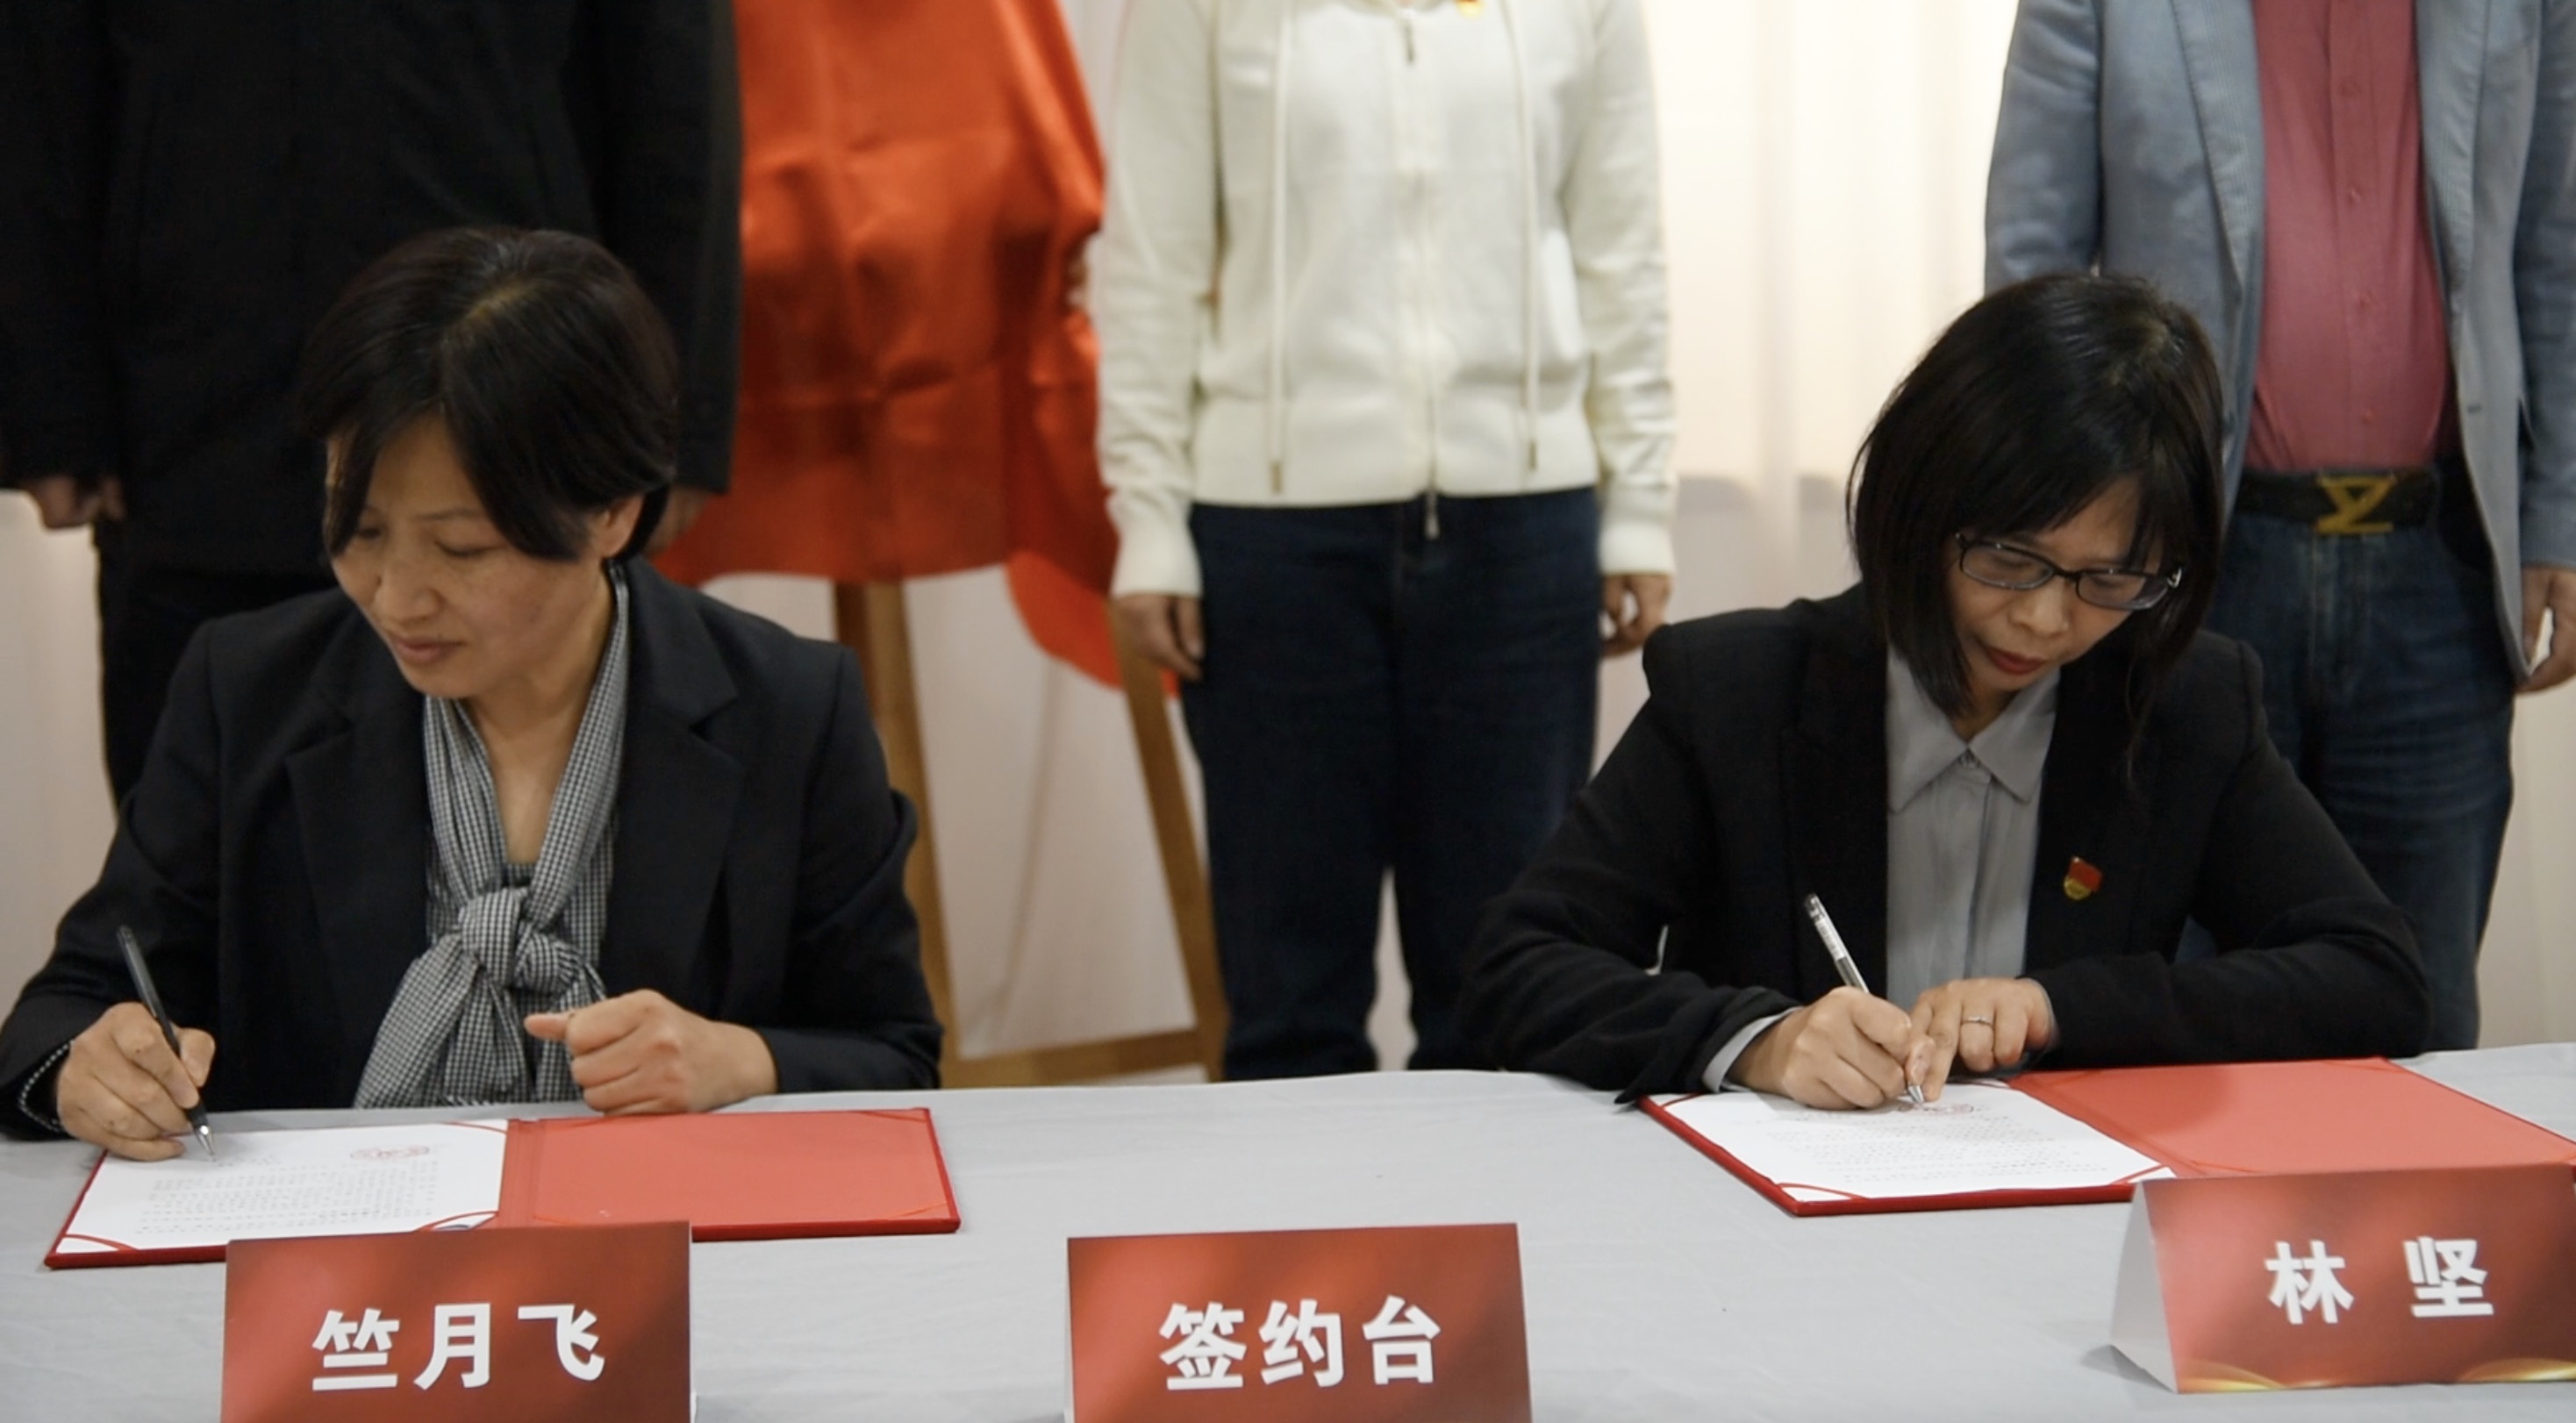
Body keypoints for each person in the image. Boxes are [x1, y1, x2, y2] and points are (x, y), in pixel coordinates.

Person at [0, 229, 940, 1160]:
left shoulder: (787, 708)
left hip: (661, 1228)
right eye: (360, 530)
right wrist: (91, 1067)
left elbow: (895, 1053)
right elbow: (65, 1008)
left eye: (462, 548)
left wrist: (741, 1059)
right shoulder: (247, 692)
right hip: (337, 1237)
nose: (397, 598)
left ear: (612, 513)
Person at [1461, 274, 2429, 1106]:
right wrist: (1758, 1042)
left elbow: (2374, 976)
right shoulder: (1736, 693)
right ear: (1917, 507)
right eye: (2009, 559)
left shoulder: (2182, 705)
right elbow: (1518, 967)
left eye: (2109, 579)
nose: (2045, 620)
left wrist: (2060, 1006)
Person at [1095, 0, 1677, 1078]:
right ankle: (1292, 1200)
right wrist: (1149, 515)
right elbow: (1148, 263)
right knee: (1287, 1002)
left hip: (1522, 535)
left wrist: (1637, 498)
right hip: (1271, 542)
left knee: (1503, 993)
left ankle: (1498, 1198)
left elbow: (1621, 249)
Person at [1985, 0, 2576, 1050]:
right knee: (2167, 1008)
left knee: (2417, 1002)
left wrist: (2559, 517)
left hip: (2437, 572)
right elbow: (2033, 265)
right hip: (2188, 568)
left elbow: (2556, 250)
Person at [0, 1, 743, 803]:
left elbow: (674, 89)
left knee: (543, 840)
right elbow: (36, 87)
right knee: (201, 837)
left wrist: (672, 419)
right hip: (195, 428)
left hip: (515, 420)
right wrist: (52, 412)